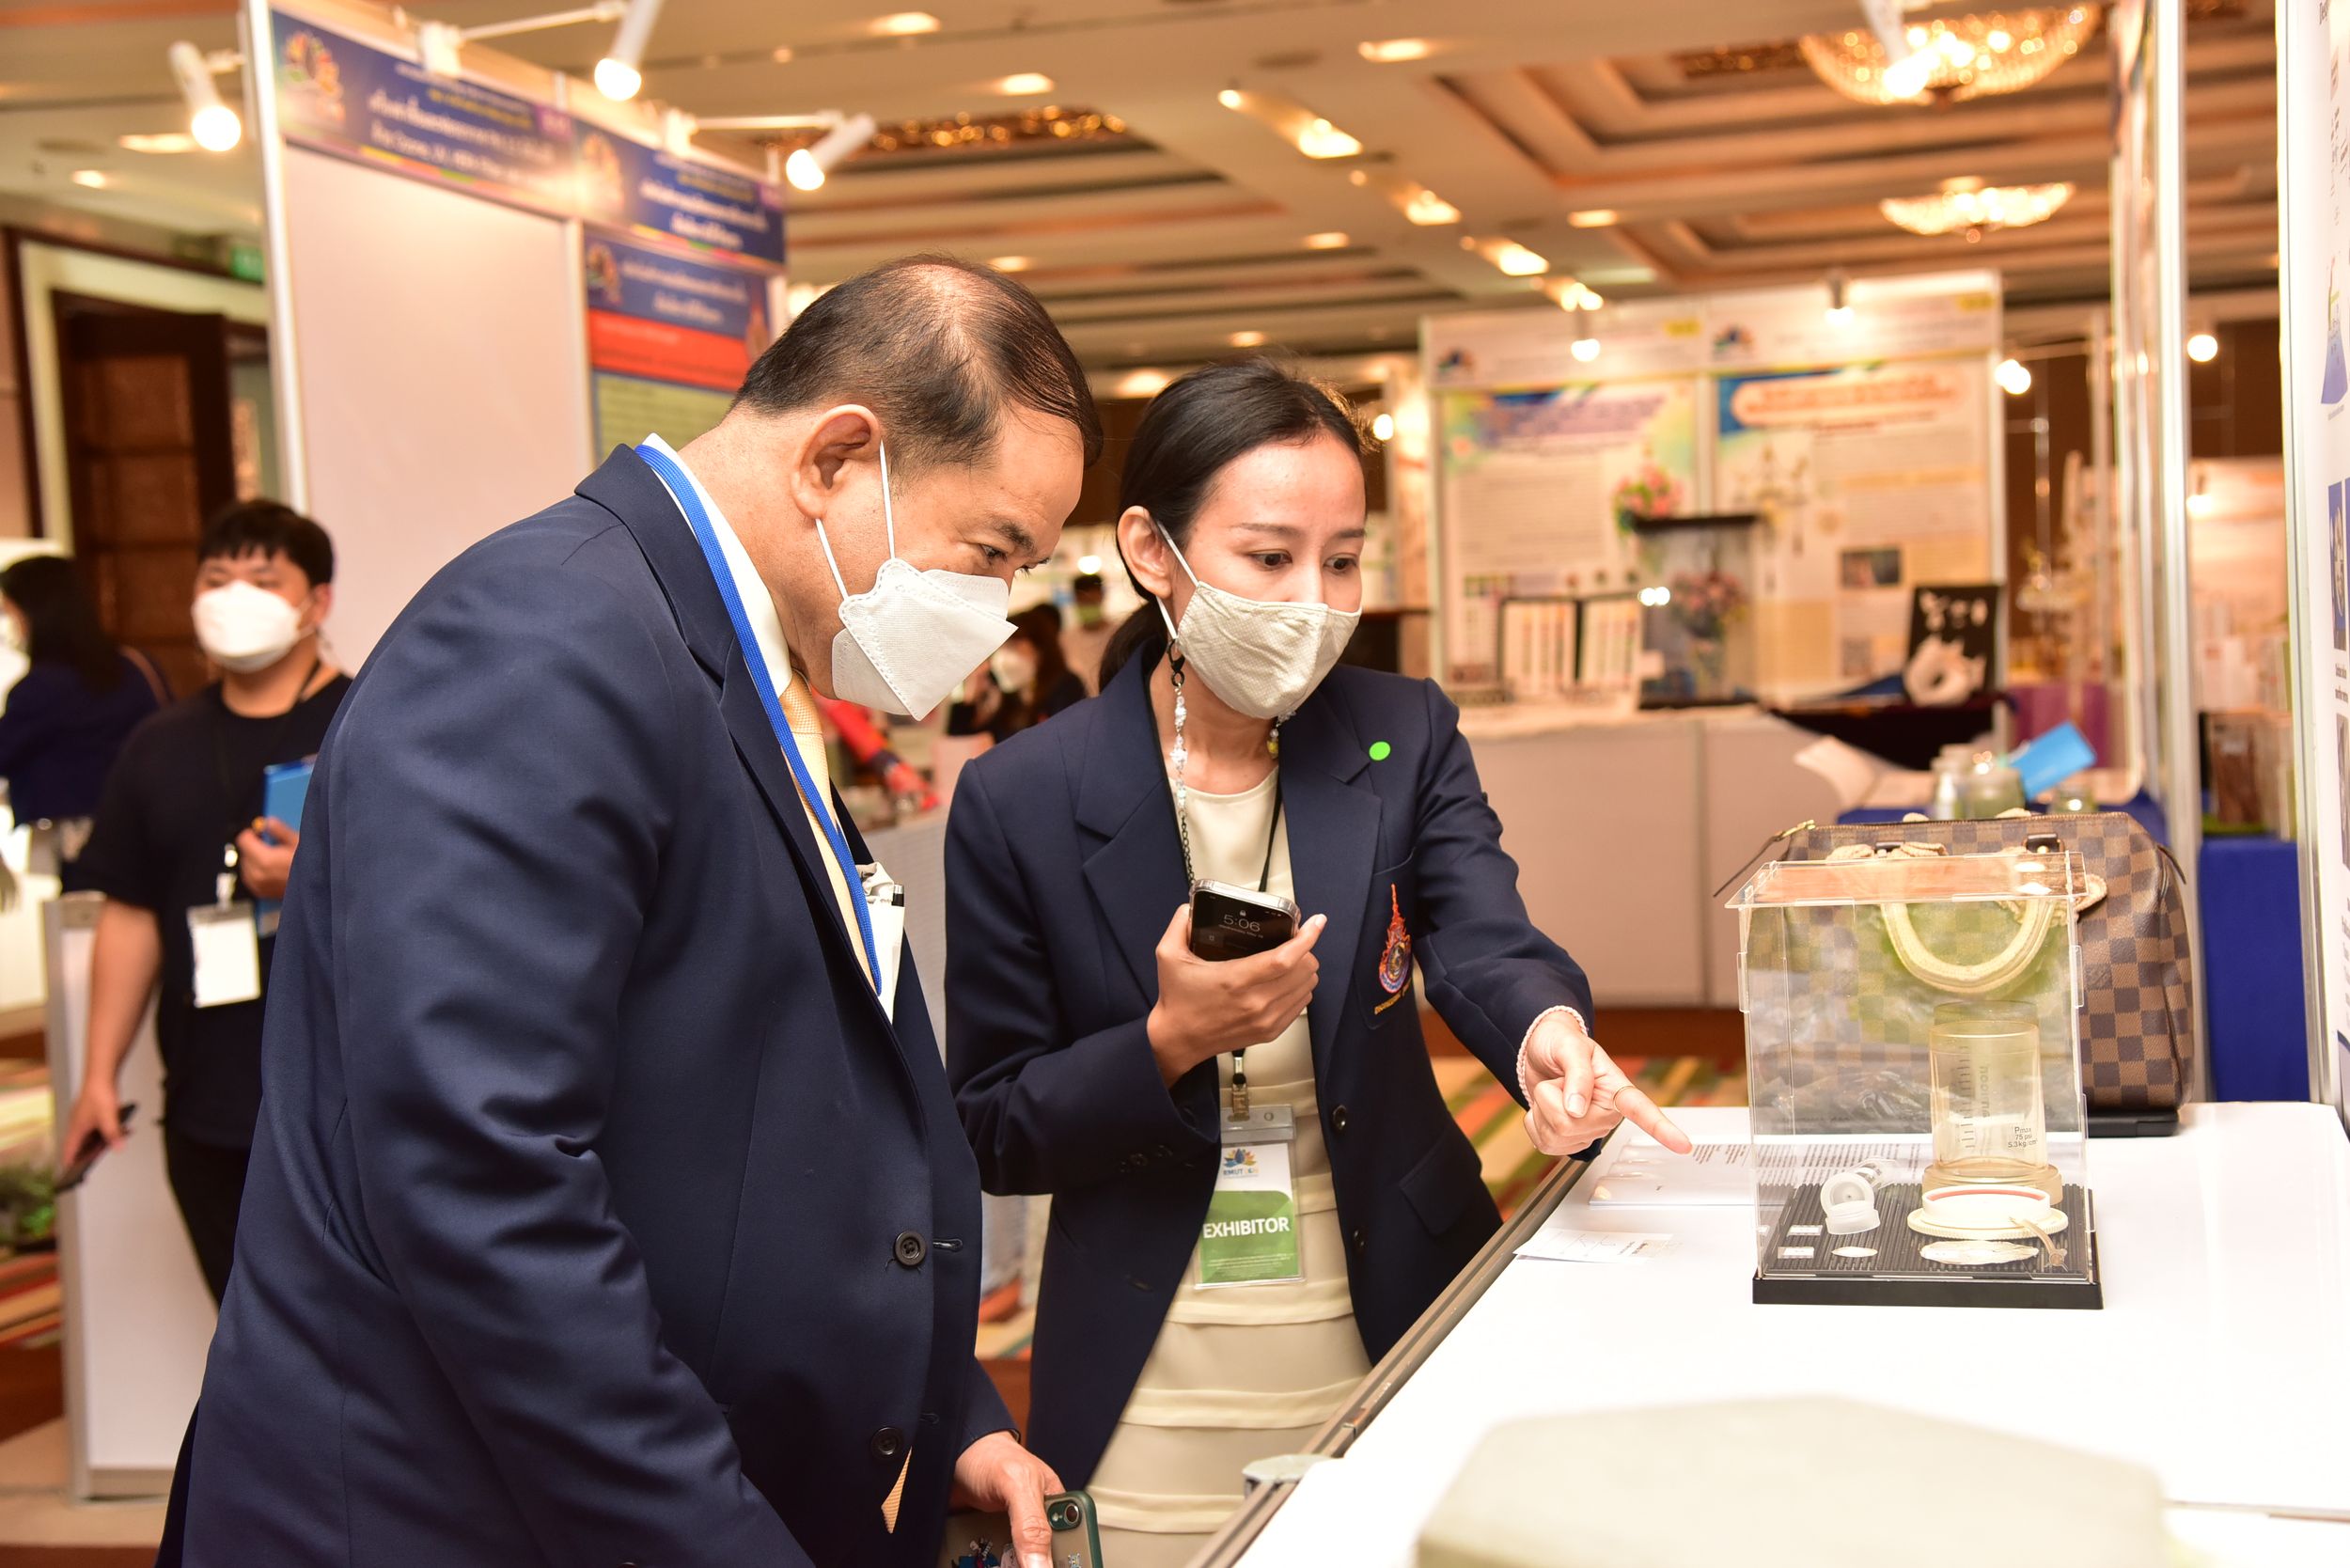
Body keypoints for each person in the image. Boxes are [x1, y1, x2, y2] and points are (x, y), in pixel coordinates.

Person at [162, 258, 1096, 1568]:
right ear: (836, 458)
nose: (991, 611)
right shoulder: (544, 637)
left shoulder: (726, 646)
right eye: (989, 553)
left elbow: (765, 1103)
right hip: (457, 1515)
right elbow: (484, 1180)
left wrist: (944, 1417)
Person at [945, 359, 1694, 1564]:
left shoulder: (1402, 732)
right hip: (1153, 1372)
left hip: (1396, 1322)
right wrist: (1168, 1042)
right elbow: (993, 1124)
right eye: (1268, 557)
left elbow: (1482, 935)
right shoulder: (1022, 798)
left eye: (1342, 561)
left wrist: (1546, 1034)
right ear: (1151, 550)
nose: (1312, 601)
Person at [62, 504, 344, 1302]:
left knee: (353, 1341)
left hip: (341, 1102)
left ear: (317, 602)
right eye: (217, 579)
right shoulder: (160, 743)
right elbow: (132, 913)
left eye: (262, 579)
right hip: (205, 1106)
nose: (234, 597)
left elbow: (426, 900)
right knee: (245, 1331)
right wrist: (97, 1075)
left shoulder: (369, 722)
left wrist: (311, 881)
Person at [0, 555, 166, 891]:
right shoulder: (136, 666)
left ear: (33, 612)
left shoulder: (41, 688)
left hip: (87, 847)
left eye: (8, 612)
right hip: (153, 830)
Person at [1005, 604, 1088, 719]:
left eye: (1013, 645)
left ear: (1038, 646)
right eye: (1002, 648)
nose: (1004, 656)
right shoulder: (1010, 694)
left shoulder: (1066, 685)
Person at [1062, 572, 1112, 694]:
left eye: (1092, 601)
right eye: (1083, 601)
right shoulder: (1065, 639)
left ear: (1102, 597)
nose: (1088, 605)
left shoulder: (1119, 634)